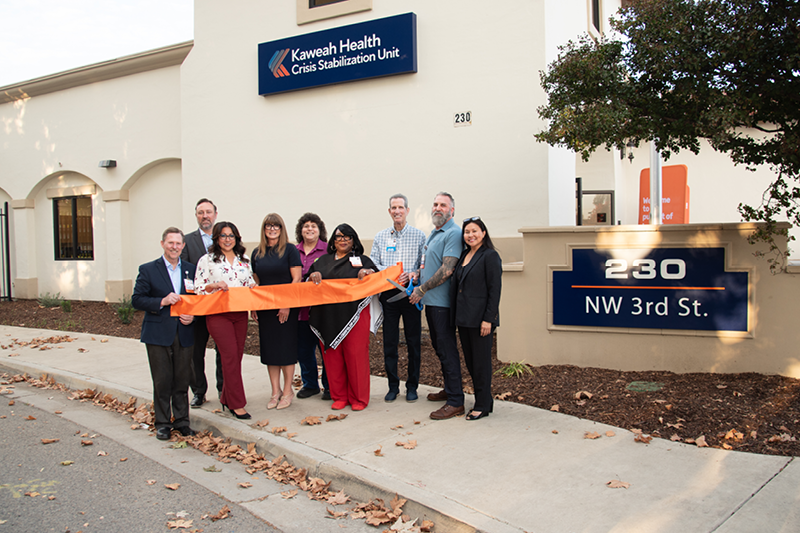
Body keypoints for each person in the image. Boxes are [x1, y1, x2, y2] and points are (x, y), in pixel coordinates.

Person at [132, 227, 196, 440]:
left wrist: (193, 316)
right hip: (158, 333)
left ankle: (182, 421)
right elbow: (137, 299)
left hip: (184, 331)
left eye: (178, 244)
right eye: (171, 243)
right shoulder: (148, 269)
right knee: (162, 380)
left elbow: (198, 300)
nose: (174, 247)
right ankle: (162, 423)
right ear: (163, 244)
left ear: (183, 246)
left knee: (182, 378)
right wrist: (162, 301)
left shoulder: (191, 270)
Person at [307, 224, 378, 411]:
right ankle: (339, 396)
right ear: (333, 241)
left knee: (355, 357)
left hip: (355, 317)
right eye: (339, 237)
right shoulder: (322, 261)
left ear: (354, 240)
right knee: (333, 358)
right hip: (327, 317)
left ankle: (359, 398)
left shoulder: (362, 260)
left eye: (348, 237)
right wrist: (312, 276)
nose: (343, 240)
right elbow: (307, 282)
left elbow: (377, 280)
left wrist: (368, 274)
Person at [409, 192, 465, 420]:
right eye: (435, 204)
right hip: (431, 303)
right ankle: (449, 390)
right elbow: (429, 265)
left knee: (447, 349)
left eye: (443, 205)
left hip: (442, 304)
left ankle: (456, 401)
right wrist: (417, 277)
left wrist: (422, 289)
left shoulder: (453, 233)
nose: (437, 208)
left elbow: (447, 270)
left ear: (452, 210)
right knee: (440, 348)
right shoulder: (434, 233)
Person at [194, 222, 256, 420]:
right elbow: (197, 288)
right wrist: (213, 285)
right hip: (218, 313)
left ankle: (226, 398)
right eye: (223, 235)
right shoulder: (207, 260)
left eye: (231, 236)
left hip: (240, 314)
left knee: (236, 357)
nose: (227, 239)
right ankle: (237, 404)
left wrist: (255, 294)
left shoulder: (243, 259)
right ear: (216, 238)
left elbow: (249, 283)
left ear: (236, 238)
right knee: (229, 356)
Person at [371, 194, 426, 403]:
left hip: (411, 295)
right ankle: (392, 386)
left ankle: (412, 387)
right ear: (389, 211)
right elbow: (374, 263)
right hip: (389, 295)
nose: (397, 211)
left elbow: (424, 264)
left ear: (407, 210)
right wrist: (391, 273)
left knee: (414, 343)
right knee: (390, 343)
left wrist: (415, 274)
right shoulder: (380, 237)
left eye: (400, 207)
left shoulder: (419, 236)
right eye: (393, 208)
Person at [451, 217, 502, 420]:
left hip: (481, 321)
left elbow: (495, 290)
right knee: (471, 362)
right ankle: (485, 401)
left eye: (474, 231)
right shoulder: (465, 254)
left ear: (483, 233)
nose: (470, 235)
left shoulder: (490, 256)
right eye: (467, 232)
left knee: (481, 363)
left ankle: (481, 405)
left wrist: (488, 319)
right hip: (464, 319)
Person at [251, 213, 302, 410]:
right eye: (268, 226)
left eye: (276, 226)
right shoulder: (257, 253)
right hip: (266, 309)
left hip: (286, 308)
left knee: (286, 350)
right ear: (264, 229)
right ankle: (275, 391)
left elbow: (296, 280)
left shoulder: (290, 250)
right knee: (270, 351)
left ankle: (288, 390)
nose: (272, 229)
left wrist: (286, 304)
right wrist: (254, 305)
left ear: (282, 229)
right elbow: (255, 282)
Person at [181, 198, 222, 408]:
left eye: (208, 212)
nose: (205, 216)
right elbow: (186, 276)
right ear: (196, 216)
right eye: (200, 212)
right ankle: (198, 391)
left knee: (223, 350)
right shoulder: (187, 241)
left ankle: (224, 390)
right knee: (196, 351)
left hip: (221, 306)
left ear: (215, 214)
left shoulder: (225, 238)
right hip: (198, 306)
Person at [294, 213, 330, 400]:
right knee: (304, 350)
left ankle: (329, 386)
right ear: (301, 230)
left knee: (325, 351)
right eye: (306, 226)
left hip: (321, 311)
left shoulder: (327, 250)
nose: (309, 229)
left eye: (313, 226)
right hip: (300, 311)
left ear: (319, 230)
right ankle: (310, 385)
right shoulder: (293, 251)